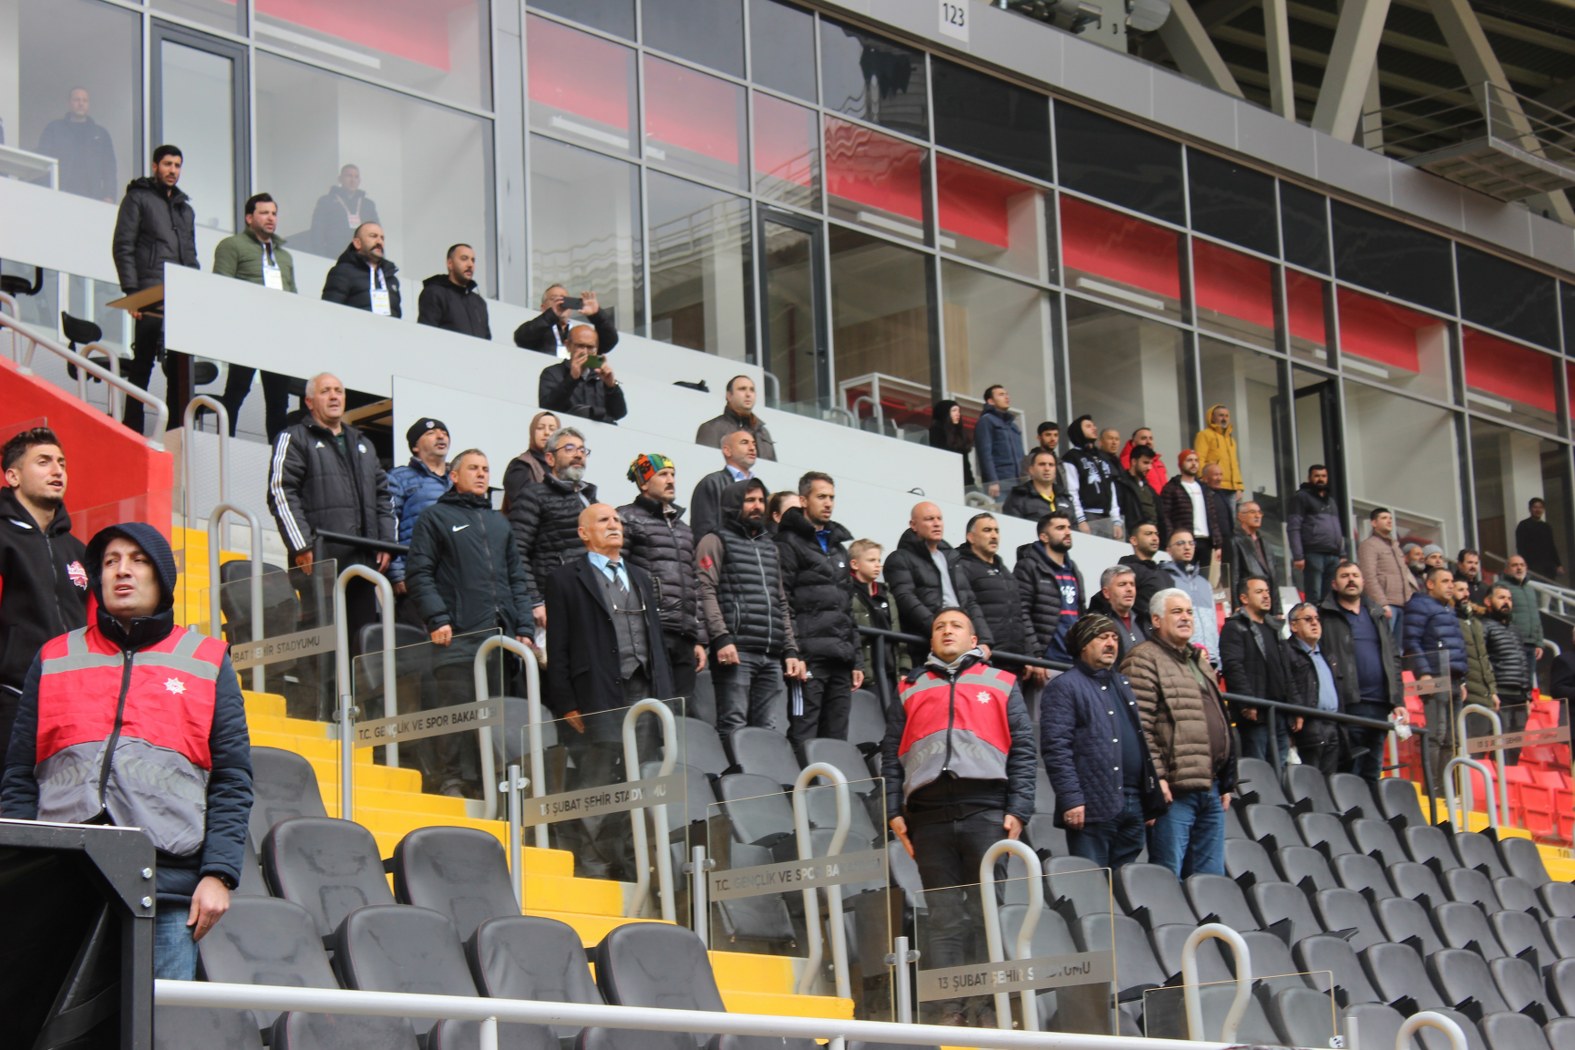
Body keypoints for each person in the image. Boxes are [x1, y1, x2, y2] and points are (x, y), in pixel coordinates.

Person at [1, 522, 251, 979]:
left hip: (165, 886)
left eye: (138, 561)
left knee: (157, 1019)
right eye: (111, 561)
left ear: (162, 577)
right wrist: (21, 863)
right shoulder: (54, 656)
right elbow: (20, 772)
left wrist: (218, 874)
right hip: (61, 881)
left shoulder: (208, 660)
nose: (122, 571)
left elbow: (232, 779)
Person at [881, 608, 1034, 1027]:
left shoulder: (1002, 682)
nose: (947, 631)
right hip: (928, 817)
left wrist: (1019, 809)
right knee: (944, 916)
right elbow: (891, 754)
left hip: (986, 810)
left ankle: (984, 1007)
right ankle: (949, 1009)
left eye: (956, 626)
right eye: (939, 627)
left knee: (986, 914)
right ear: (931, 640)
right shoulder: (910, 687)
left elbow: (1023, 748)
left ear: (973, 640)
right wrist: (893, 810)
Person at [543, 503, 674, 877]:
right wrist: (567, 703)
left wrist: (663, 693)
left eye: (616, 520)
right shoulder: (565, 579)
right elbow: (558, 646)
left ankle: (627, 858)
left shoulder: (640, 576)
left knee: (639, 777)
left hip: (644, 692)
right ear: (584, 533)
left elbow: (654, 640)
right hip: (596, 692)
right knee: (597, 776)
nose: (614, 524)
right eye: (604, 520)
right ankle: (591, 858)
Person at [404, 450, 533, 797]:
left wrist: (524, 627)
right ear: (454, 475)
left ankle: (486, 786)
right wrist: (438, 618)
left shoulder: (499, 523)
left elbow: (517, 580)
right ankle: (450, 780)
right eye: (473, 468)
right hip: (458, 636)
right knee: (457, 713)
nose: (481, 474)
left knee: (494, 716)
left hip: (500, 640)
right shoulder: (435, 517)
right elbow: (419, 573)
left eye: (485, 469)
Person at [266, 373, 393, 658]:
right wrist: (301, 545)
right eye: (326, 391)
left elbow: (383, 496)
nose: (334, 396)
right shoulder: (293, 438)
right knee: (324, 650)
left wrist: (385, 542)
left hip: (362, 564)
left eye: (339, 391)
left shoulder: (363, 443)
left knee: (360, 647)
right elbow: (281, 492)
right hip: (319, 563)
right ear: (310, 402)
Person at [1123, 589, 1235, 878]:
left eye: (1188, 612)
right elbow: (1140, 725)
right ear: (1156, 620)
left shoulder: (1198, 659)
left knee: (1210, 882)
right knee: (1168, 878)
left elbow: (1221, 718)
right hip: (1173, 791)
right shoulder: (1143, 658)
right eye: (1176, 612)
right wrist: (1157, 778)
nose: (1185, 618)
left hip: (1210, 786)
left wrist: (1226, 780)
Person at [1040, 614, 1167, 870]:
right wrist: (1071, 799)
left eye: (1114, 638)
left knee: (1124, 885)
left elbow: (1140, 741)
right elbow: (1056, 749)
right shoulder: (1064, 686)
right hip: (1093, 805)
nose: (1111, 643)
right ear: (1083, 644)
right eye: (1102, 637)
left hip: (1133, 802)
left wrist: (1148, 798)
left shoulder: (1122, 683)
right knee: (1092, 883)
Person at [0, 428, 89, 764]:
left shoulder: (79, 551)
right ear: (13, 476)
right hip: (12, 700)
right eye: (43, 462)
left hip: (73, 705)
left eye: (61, 463)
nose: (57, 470)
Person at [694, 480, 803, 734]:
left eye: (761, 501)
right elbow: (704, 590)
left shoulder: (770, 546)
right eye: (750, 500)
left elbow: (780, 601)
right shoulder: (714, 540)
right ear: (733, 504)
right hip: (736, 651)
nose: (757, 506)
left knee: (767, 729)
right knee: (733, 724)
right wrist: (721, 638)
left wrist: (790, 649)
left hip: (771, 653)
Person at [112, 143, 198, 435]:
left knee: (179, 368)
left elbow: (191, 255)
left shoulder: (186, 209)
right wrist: (132, 293)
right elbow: (123, 245)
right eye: (167, 164)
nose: (172, 170)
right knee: (143, 363)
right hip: (149, 291)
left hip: (179, 296)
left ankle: (175, 432)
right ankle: (132, 427)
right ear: (155, 167)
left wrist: (195, 294)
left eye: (177, 165)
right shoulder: (138, 198)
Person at [774, 472, 863, 751]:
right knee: (804, 734)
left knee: (836, 739)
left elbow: (847, 608)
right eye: (821, 496)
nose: (828, 503)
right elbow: (783, 599)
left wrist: (856, 660)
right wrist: (793, 652)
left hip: (840, 659)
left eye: (832, 497)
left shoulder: (839, 549)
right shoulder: (787, 542)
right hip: (808, 659)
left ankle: (829, 783)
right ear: (803, 500)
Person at [618, 453, 707, 703]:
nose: (671, 480)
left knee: (680, 711)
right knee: (650, 708)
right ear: (644, 483)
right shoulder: (625, 518)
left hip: (684, 635)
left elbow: (695, 584)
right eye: (663, 474)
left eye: (673, 474)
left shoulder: (684, 529)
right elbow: (616, 577)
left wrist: (699, 638)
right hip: (649, 631)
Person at [213, 192, 298, 441]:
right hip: (246, 331)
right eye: (264, 213)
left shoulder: (284, 256)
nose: (270, 218)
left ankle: (279, 454)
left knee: (278, 400)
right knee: (237, 390)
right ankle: (225, 444)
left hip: (277, 335)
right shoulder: (232, 245)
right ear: (249, 218)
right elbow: (220, 287)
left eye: (274, 213)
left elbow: (293, 297)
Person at [1320, 560, 1404, 783]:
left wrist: (1398, 700)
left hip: (1379, 705)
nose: (1351, 580)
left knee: (1373, 771)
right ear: (1334, 584)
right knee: (1351, 771)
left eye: (1355, 576)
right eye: (1344, 576)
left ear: (1363, 582)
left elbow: (1393, 658)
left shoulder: (1377, 614)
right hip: (1349, 705)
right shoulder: (1325, 616)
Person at [509, 427, 598, 626]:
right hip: (552, 601)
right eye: (569, 448)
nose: (578, 455)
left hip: (591, 599)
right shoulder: (533, 495)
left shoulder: (590, 499)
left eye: (582, 450)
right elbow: (516, 551)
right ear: (550, 458)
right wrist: (534, 600)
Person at [884, 502, 992, 665]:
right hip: (924, 649)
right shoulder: (900, 558)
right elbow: (905, 599)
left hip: (960, 643)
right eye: (929, 519)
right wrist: (938, 629)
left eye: (939, 519)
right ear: (913, 525)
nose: (936, 523)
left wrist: (984, 640)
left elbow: (970, 601)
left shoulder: (952, 559)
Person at [953, 513, 1042, 687]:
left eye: (996, 531)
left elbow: (1018, 616)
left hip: (1014, 663)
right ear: (971, 537)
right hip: (986, 660)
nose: (994, 535)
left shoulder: (1005, 571)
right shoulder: (962, 566)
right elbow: (968, 609)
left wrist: (1028, 655)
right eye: (987, 530)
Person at [1402, 565, 1468, 788]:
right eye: (1445, 581)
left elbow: (1457, 647)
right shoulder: (1419, 605)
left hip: (1454, 680)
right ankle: (1433, 787)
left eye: (1452, 582)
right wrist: (1424, 673)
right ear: (1430, 584)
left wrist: (1462, 680)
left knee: (1452, 737)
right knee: (1437, 734)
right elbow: (1412, 641)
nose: (1451, 586)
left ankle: (1448, 788)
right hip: (1435, 677)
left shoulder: (1448, 609)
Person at [1220, 575, 1296, 768]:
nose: (1266, 596)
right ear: (1244, 598)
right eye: (1259, 592)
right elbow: (1233, 667)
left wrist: (1295, 707)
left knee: (1280, 770)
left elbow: (1287, 670)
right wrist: (1247, 702)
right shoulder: (1235, 627)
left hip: (1280, 712)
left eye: (1267, 591)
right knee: (1258, 769)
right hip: (1256, 715)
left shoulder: (1274, 629)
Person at [387, 418, 451, 621]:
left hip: (454, 580)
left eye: (444, 433)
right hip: (416, 579)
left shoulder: (457, 480)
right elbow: (389, 525)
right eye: (431, 433)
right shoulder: (399, 477)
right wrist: (397, 574)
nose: (440, 437)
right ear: (415, 446)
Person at [1284, 601, 1353, 775]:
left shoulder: (1327, 654)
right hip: (1309, 726)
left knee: (1329, 781)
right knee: (1310, 779)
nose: (1315, 623)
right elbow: (1288, 685)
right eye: (1308, 619)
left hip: (1333, 724)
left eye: (1317, 619)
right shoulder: (1286, 651)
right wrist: (1297, 711)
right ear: (1293, 626)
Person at [1014, 511, 1084, 664]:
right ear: (1044, 537)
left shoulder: (1074, 570)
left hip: (1073, 661)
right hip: (1046, 661)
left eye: (1068, 527)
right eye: (1060, 528)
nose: (1068, 532)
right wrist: (1034, 656)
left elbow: (1080, 614)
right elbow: (1021, 613)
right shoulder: (1029, 567)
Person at [36, 86, 116, 202]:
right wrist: (45, 191)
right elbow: (43, 160)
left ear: (88, 104)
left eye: (85, 100)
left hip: (92, 197)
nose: (81, 104)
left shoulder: (101, 134)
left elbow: (109, 168)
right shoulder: (54, 129)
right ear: (69, 103)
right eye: (77, 100)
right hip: (59, 194)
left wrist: (109, 195)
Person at [849, 539, 909, 691]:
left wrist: (904, 669)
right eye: (871, 560)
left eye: (879, 560)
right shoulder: (846, 593)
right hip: (864, 677)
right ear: (854, 564)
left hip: (890, 675)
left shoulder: (887, 595)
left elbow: (898, 635)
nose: (878, 565)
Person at [1482, 584, 1531, 766]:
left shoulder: (1515, 630)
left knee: (1514, 747)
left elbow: (1523, 663)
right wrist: (1491, 690)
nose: (1506, 602)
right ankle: (1496, 779)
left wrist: (1527, 696)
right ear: (1488, 601)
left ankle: (1509, 779)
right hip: (1500, 693)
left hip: (1519, 696)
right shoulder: (1484, 626)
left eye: (1509, 599)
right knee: (1500, 744)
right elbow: (1482, 660)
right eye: (1501, 598)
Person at [538, 323, 625, 424]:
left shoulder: (602, 376)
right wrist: (572, 378)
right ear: (568, 346)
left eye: (590, 347)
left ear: (596, 349)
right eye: (580, 346)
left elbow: (618, 414)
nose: (585, 352)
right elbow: (548, 409)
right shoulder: (552, 373)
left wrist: (611, 387)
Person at [1162, 530, 1220, 669]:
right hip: (1182, 659)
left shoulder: (1204, 583)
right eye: (1180, 543)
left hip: (1210, 660)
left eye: (1191, 543)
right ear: (1168, 550)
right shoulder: (1164, 579)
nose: (1187, 547)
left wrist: (1217, 659)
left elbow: (1213, 622)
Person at [1453, 578, 1499, 754]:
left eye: (1467, 590)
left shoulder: (1476, 623)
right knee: (1469, 749)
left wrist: (1492, 690)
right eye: (1460, 590)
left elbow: (1484, 660)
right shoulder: (1452, 620)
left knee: (1481, 750)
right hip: (1468, 696)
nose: (1466, 594)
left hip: (1484, 695)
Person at [1357, 507, 1416, 644]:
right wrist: (1381, 603)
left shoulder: (1395, 546)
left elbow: (1405, 576)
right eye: (1384, 518)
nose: (1389, 521)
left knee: (1398, 649)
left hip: (1403, 604)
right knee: (1386, 645)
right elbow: (1368, 576)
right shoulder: (1369, 545)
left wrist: (1409, 601)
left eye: (1390, 518)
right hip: (1387, 604)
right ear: (1373, 523)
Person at [1287, 464, 1344, 602]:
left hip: (1333, 554)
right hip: (1313, 553)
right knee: (1314, 594)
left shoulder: (1331, 501)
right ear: (1309, 478)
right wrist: (1298, 556)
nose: (1320, 479)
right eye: (1317, 476)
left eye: (1323, 476)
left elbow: (1337, 528)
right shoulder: (1301, 497)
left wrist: (1342, 553)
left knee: (1331, 597)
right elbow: (1294, 527)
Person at [690, 430, 760, 540]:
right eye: (744, 442)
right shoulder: (711, 483)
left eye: (754, 444)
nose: (752, 448)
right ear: (727, 451)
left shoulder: (761, 488)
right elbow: (703, 530)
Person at [1061, 415, 1123, 540]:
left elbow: (1111, 490)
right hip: (1088, 516)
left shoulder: (1102, 457)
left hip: (1107, 518)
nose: (1094, 428)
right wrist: (1080, 519)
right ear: (1078, 431)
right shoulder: (1072, 457)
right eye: (1088, 426)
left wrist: (1116, 520)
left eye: (1094, 425)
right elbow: (1071, 491)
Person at [1160, 451, 1225, 571]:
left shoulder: (1204, 488)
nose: (1194, 463)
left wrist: (1218, 544)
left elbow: (1212, 517)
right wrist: (1171, 539)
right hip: (1184, 541)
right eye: (1189, 460)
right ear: (1180, 464)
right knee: (1184, 573)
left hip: (1206, 541)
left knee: (1204, 577)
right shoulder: (1172, 487)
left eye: (1196, 460)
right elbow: (1165, 516)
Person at [321, 222, 401, 317]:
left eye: (382, 238)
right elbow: (329, 313)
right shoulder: (343, 272)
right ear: (357, 243)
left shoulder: (391, 279)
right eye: (373, 236)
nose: (379, 242)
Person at [514, 284, 619, 356]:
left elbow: (609, 342)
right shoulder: (539, 331)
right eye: (554, 299)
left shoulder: (579, 333)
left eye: (565, 299)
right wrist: (551, 315)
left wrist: (597, 315)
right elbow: (521, 338)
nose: (561, 303)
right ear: (543, 307)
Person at [694, 376, 778, 462]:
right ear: (729, 395)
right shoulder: (712, 428)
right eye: (742, 389)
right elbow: (705, 463)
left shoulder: (763, 432)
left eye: (752, 390)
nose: (748, 394)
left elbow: (774, 467)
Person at [417, 243, 490, 339]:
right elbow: (426, 335)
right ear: (450, 264)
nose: (470, 265)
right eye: (464, 258)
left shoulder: (479, 302)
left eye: (473, 260)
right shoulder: (434, 293)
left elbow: (487, 340)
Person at [307, 164, 380, 256]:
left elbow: (376, 233)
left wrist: (379, 259)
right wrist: (320, 256)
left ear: (359, 181)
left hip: (361, 256)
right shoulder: (326, 201)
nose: (353, 180)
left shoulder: (368, 205)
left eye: (356, 177)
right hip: (334, 254)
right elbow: (317, 231)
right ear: (340, 179)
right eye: (349, 176)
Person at [1497, 556, 1546, 683]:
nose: (1519, 568)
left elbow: (1536, 617)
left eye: (1522, 565)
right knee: (1514, 681)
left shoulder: (1530, 589)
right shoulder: (1500, 588)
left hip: (1531, 645)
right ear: (1506, 569)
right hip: (1513, 643)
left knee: (1528, 683)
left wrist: (1539, 643)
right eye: (1514, 565)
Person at [500, 411, 559, 514]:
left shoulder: (562, 468)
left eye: (552, 429)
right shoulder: (521, 465)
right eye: (540, 428)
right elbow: (521, 508)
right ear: (532, 432)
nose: (546, 432)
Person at [1085, 565, 1146, 662]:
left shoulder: (1145, 621)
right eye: (1122, 584)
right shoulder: (1096, 623)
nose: (1129, 589)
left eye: (1132, 584)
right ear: (1106, 593)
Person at [974, 384, 1024, 501]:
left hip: (1018, 483)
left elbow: (1021, 455)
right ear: (990, 401)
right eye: (1001, 395)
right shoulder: (986, 421)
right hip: (1000, 483)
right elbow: (985, 453)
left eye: (1007, 394)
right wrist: (992, 481)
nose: (1007, 397)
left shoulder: (1013, 426)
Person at [1231, 500, 1281, 615]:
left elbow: (1274, 577)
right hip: (1249, 600)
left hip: (1267, 601)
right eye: (1253, 512)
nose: (1258, 516)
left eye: (1259, 512)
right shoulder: (1235, 541)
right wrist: (1236, 605)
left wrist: (1278, 609)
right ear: (1241, 516)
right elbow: (1234, 576)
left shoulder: (1265, 543)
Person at [1118, 522, 1169, 627]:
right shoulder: (1127, 570)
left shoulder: (1164, 574)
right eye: (1148, 534)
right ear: (1134, 540)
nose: (1155, 538)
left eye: (1156, 534)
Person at [1114, 444, 1164, 537]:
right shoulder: (1121, 484)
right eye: (1145, 463)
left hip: (1152, 537)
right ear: (1134, 461)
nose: (1149, 467)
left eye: (1150, 463)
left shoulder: (1149, 489)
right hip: (1132, 537)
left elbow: (1161, 517)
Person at [1194, 404, 1242, 494]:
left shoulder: (1231, 440)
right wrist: (1202, 478)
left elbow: (1235, 464)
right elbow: (1200, 458)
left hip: (1232, 489)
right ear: (1212, 418)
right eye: (1221, 415)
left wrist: (1239, 486)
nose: (1224, 418)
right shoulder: (1204, 435)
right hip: (1213, 485)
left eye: (1226, 416)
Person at [1002, 449, 1061, 522]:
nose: (1047, 468)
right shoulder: (1017, 498)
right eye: (1042, 464)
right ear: (1031, 470)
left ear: (1055, 470)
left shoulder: (1064, 497)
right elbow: (1012, 526)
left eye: (1051, 465)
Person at [928, 399, 974, 488]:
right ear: (945, 413)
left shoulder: (959, 434)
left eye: (958, 411)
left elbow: (966, 466)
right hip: (945, 481)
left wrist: (971, 486)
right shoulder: (936, 432)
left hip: (961, 482)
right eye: (954, 411)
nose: (958, 414)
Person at [1516, 497, 1563, 582]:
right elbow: (1521, 547)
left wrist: (1558, 564)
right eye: (1535, 507)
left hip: (1548, 566)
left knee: (1549, 587)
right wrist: (1523, 564)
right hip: (1532, 565)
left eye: (1540, 507)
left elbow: (1552, 546)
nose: (1538, 510)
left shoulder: (1546, 526)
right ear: (1530, 509)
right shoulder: (1523, 525)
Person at [1120, 427, 1168, 493]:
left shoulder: (1158, 461)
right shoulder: (1126, 461)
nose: (1148, 442)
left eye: (1151, 438)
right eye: (1143, 438)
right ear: (1133, 443)